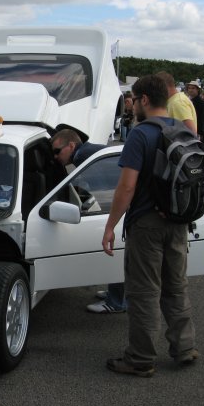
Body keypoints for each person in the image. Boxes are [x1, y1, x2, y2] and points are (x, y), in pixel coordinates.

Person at [101, 74, 198, 377]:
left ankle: (141, 358)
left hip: (147, 223)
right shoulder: (182, 129)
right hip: (178, 221)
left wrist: (110, 225)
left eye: (133, 99)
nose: (130, 106)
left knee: (144, 292)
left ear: (144, 100)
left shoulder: (140, 135)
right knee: (176, 287)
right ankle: (184, 348)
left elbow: (126, 188)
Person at [51, 128, 126, 314]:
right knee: (120, 252)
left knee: (117, 250)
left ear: (71, 145)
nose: (55, 157)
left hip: (125, 203)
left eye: (57, 151)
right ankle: (117, 295)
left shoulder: (82, 157)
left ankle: (116, 302)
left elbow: (98, 186)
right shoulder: (88, 150)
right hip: (126, 199)